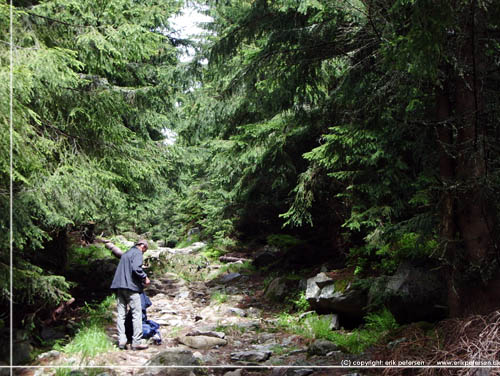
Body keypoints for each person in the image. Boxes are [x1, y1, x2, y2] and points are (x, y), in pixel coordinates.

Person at [109, 239, 150, 350]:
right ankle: (136, 342)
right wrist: (145, 277)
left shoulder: (126, 253)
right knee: (136, 314)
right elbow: (136, 268)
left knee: (121, 315)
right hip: (131, 288)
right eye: (145, 250)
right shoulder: (137, 253)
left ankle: (122, 341)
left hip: (119, 287)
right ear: (143, 246)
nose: (143, 252)